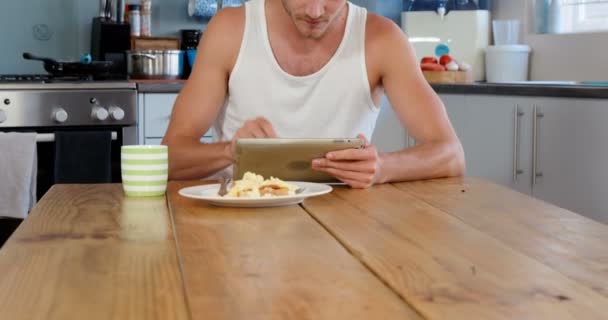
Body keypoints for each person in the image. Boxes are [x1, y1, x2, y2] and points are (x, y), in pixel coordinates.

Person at [162, 0, 465, 188]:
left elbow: (451, 154)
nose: (315, 11)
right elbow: (169, 159)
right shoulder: (230, 30)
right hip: (243, 220)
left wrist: (385, 167)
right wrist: (232, 151)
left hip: (344, 226)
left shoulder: (383, 39)